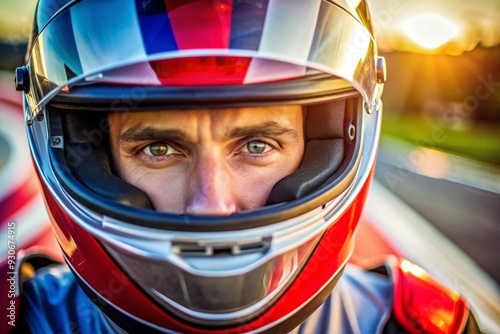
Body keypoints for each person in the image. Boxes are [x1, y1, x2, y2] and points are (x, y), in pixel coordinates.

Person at [4, 0, 481, 333]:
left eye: (257, 145)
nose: (212, 207)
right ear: (92, 158)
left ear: (330, 142)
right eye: (159, 150)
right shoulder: (20, 318)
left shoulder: (417, 323)